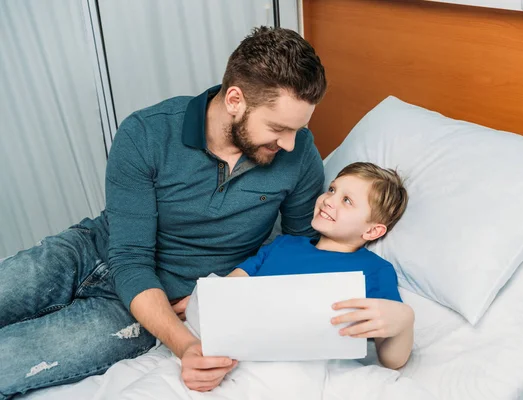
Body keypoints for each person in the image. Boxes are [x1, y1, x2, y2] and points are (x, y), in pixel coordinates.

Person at [0, 26, 327, 398]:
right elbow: (130, 257)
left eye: (298, 130)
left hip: (146, 305)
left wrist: (214, 309)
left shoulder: (299, 155)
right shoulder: (147, 133)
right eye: (278, 128)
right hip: (88, 250)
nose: (289, 144)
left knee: (6, 362)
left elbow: (302, 251)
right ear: (235, 100)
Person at [184, 162, 414, 372]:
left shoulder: (375, 270)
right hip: (245, 351)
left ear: (373, 231)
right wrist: (206, 298)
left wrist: (404, 321)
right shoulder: (285, 243)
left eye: (347, 200)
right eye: (332, 189)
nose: (328, 200)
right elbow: (233, 284)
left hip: (310, 368)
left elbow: (392, 360)